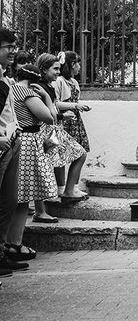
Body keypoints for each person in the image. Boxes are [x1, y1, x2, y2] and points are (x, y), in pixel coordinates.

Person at [4, 64, 57, 261]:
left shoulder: (10, 88)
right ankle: (14, 244)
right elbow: (50, 117)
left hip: (14, 138)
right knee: (23, 197)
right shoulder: (28, 92)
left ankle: (8, 243)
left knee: (13, 195)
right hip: (28, 141)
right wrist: (47, 97)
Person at [35, 53, 87, 207]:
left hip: (54, 127)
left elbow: (52, 107)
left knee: (71, 156)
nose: (58, 72)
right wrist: (61, 115)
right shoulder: (41, 87)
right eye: (55, 69)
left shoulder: (49, 86)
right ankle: (65, 190)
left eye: (59, 68)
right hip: (48, 129)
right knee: (77, 155)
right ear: (44, 69)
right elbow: (48, 111)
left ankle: (68, 190)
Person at [0, 29, 28, 278]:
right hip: (1, 144)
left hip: (12, 141)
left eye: (14, 46)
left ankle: (1, 253)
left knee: (9, 200)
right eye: (8, 46)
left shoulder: (4, 76)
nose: (13, 51)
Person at [53, 51, 91, 198]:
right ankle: (61, 187)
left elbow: (73, 101)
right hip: (64, 121)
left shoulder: (74, 82)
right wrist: (75, 106)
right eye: (77, 63)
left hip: (75, 121)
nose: (79, 66)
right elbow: (56, 104)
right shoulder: (59, 81)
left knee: (79, 152)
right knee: (61, 155)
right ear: (70, 65)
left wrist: (80, 106)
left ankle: (74, 187)